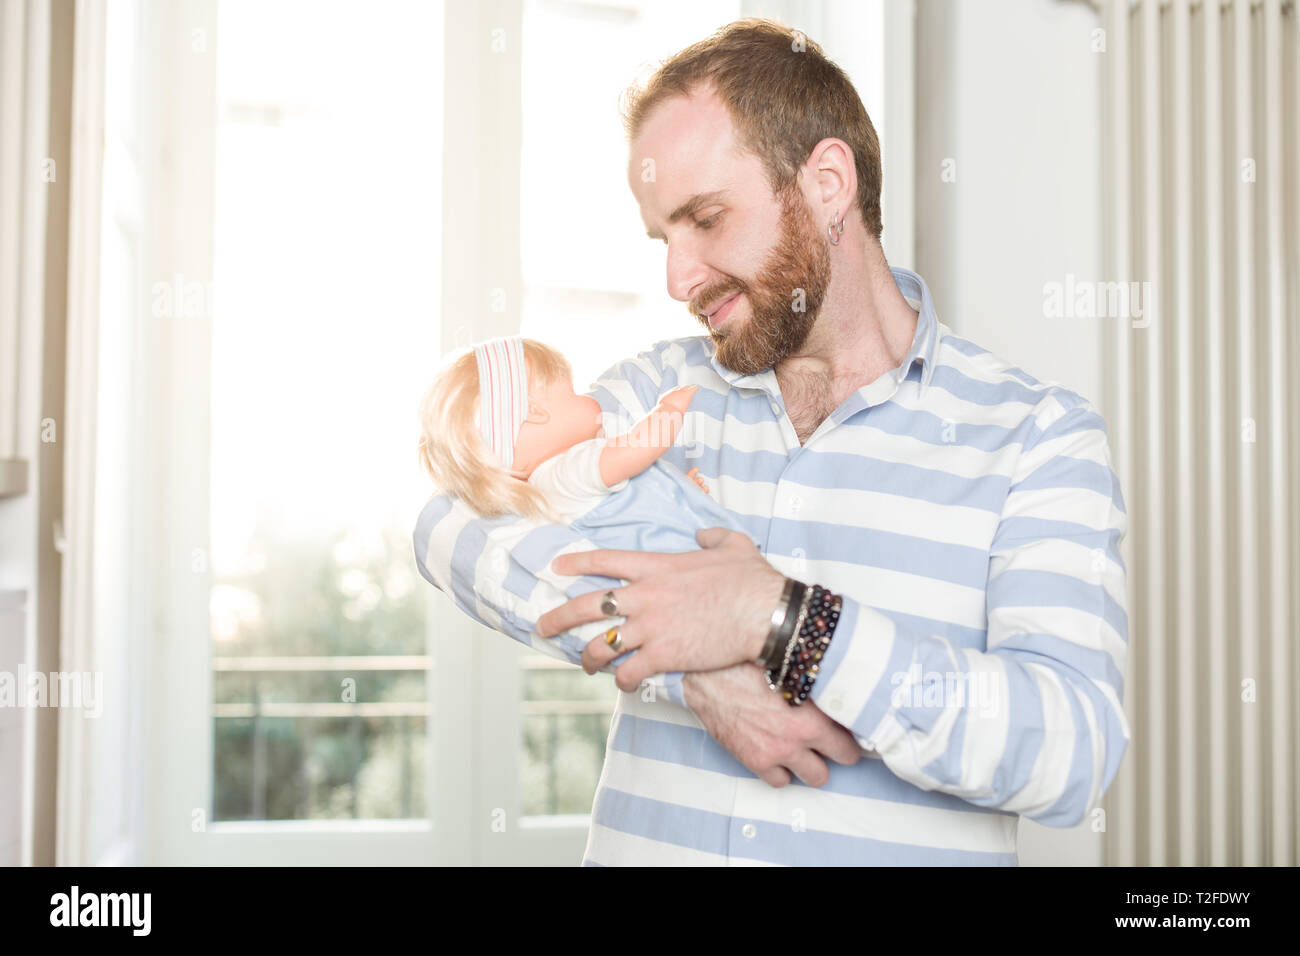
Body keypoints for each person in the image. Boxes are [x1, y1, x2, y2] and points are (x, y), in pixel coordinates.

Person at [413, 18, 1129, 865]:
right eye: (663, 239)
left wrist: (785, 621)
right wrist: (700, 674)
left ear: (828, 183)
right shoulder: (652, 391)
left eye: (706, 220)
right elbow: (449, 525)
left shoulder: (1035, 438)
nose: (677, 279)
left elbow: (1070, 749)